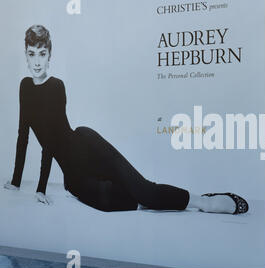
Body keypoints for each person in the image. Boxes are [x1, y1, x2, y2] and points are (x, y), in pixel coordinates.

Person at [3, 25, 249, 215]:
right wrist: (16, 182)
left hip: (86, 144)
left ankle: (204, 202)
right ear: (26, 55)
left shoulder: (56, 86)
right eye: (31, 54)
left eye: (42, 54)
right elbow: (22, 135)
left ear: (49, 55)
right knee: (122, 203)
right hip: (75, 177)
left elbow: (51, 138)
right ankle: (180, 200)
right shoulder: (24, 86)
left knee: (146, 193)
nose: (36, 61)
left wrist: (40, 188)